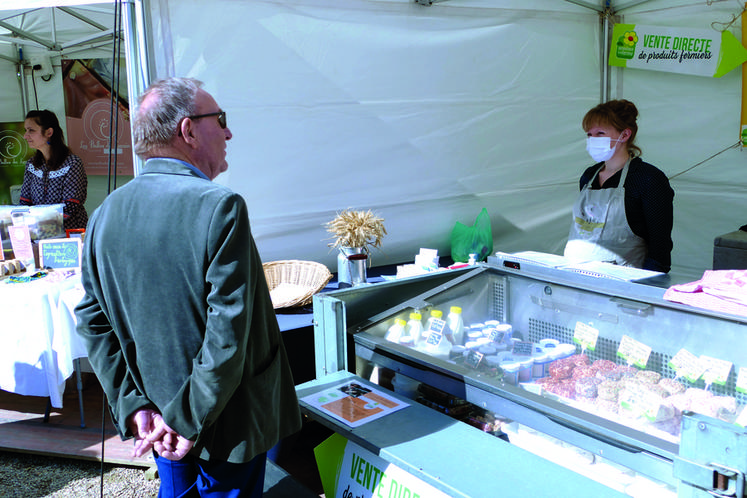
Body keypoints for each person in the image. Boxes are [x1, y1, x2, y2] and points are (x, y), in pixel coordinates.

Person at [74, 77, 302, 497]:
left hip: (160, 420)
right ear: (188, 130)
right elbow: (228, 333)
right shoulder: (219, 207)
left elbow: (92, 319)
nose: (229, 131)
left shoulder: (104, 213)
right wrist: (185, 419)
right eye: (221, 119)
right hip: (223, 424)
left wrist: (136, 405)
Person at [563, 99, 674, 273]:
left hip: (621, 284)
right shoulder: (589, 176)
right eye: (589, 134)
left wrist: (645, 287)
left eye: (600, 133)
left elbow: (660, 247)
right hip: (573, 275)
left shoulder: (648, 179)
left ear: (624, 135)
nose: (593, 139)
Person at [20, 110, 88, 230]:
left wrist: (40, 223)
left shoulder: (72, 163)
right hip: (39, 232)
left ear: (49, 132)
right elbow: (25, 201)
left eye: (31, 130)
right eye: (26, 130)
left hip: (70, 234)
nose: (26, 136)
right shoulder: (31, 164)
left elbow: (71, 205)